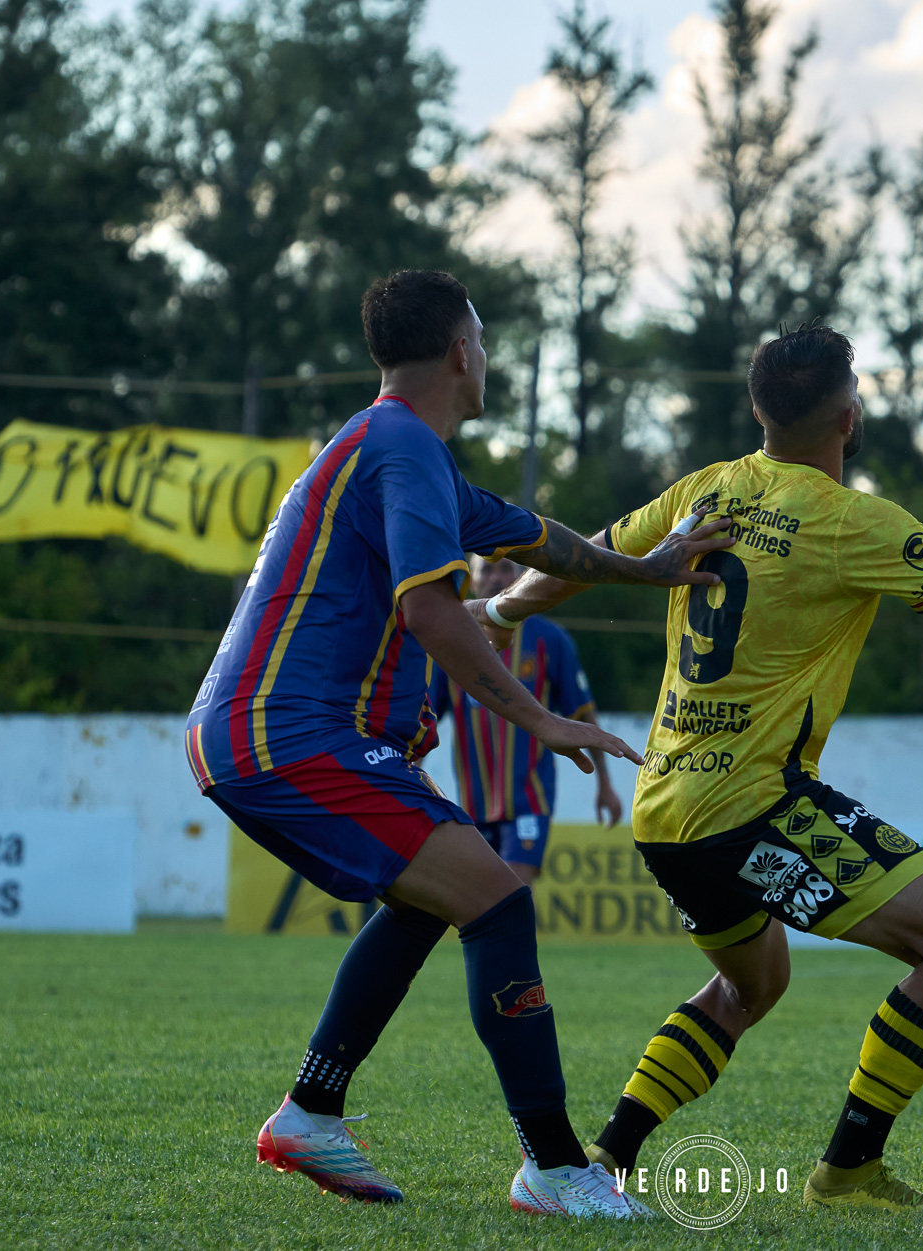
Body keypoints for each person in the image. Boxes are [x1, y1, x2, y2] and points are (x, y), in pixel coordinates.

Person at [475, 324, 923, 1214]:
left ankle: (601, 1158)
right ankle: (846, 1173)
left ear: (758, 409)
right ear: (849, 416)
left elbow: (584, 557)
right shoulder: (855, 523)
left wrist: (501, 609)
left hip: (666, 806)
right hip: (751, 805)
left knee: (753, 984)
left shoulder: (706, 487)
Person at [183, 269, 730, 1216]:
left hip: (257, 733)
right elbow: (432, 612)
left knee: (433, 898)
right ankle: (554, 1166)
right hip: (289, 734)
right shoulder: (402, 446)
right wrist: (539, 718)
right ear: (460, 352)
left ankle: (312, 1109)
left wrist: (651, 568)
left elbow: (543, 542)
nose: (487, 357)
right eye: (484, 340)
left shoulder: (398, 449)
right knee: (498, 900)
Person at [430, 557, 623, 886]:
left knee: (512, 889)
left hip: (529, 800)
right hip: (472, 805)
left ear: (522, 577)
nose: (496, 577)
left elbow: (581, 713)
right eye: (487, 569)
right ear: (472, 581)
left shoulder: (550, 639)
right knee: (483, 903)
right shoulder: (450, 643)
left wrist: (604, 783)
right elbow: (424, 719)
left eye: (506, 568)